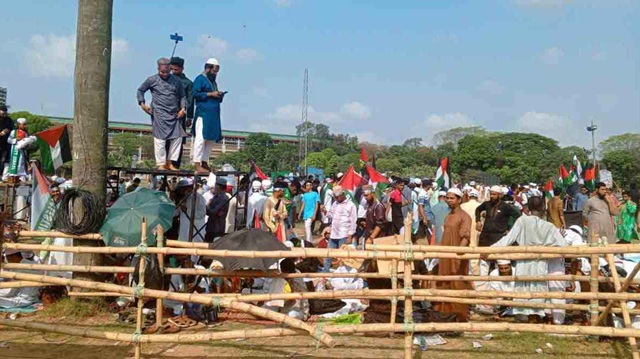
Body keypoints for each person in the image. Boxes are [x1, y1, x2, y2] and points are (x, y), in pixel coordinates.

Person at [489, 196, 567, 323]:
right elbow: (563, 246)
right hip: (540, 263)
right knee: (538, 289)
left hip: (523, 262)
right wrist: (547, 247)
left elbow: (507, 239)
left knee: (524, 290)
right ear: (543, 208)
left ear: (528, 208)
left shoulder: (522, 221)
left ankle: (530, 320)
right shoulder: (549, 226)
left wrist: (490, 250)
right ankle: (535, 319)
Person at [137, 58, 187, 170]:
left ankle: (170, 162)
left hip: (174, 113)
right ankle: (161, 163)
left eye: (167, 72)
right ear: (158, 69)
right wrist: (142, 103)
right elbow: (140, 90)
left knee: (178, 138)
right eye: (162, 72)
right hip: (159, 113)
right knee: (160, 139)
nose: (164, 74)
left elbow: (183, 96)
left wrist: (183, 108)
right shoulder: (152, 80)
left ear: (170, 69)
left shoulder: (177, 81)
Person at [434, 188, 473, 322]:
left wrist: (458, 254)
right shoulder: (448, 216)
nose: (449, 200)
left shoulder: (464, 216)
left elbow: (466, 237)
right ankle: (445, 313)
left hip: (456, 256)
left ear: (459, 200)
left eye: (452, 198)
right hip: (445, 255)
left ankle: (459, 314)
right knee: (444, 281)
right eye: (448, 198)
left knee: (457, 283)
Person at [191, 58, 225, 173]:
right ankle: (197, 164)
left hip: (213, 115)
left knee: (210, 139)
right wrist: (211, 94)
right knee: (200, 139)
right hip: (203, 114)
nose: (215, 74)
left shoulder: (213, 82)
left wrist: (219, 95)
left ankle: (205, 162)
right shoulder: (200, 79)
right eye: (214, 71)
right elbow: (195, 94)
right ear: (207, 68)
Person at [323, 185, 357, 272]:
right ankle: (326, 272)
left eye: (338, 197)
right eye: (335, 197)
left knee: (343, 256)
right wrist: (325, 211)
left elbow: (353, 221)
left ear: (342, 195)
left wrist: (350, 235)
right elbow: (331, 215)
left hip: (344, 234)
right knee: (328, 254)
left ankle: (344, 273)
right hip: (334, 234)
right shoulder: (335, 204)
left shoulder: (351, 205)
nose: (337, 198)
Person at [169, 57, 194, 169]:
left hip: (180, 115)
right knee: (165, 139)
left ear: (182, 69)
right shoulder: (165, 79)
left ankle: (175, 164)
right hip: (166, 114)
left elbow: (190, 100)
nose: (173, 72)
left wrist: (189, 116)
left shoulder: (187, 83)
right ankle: (164, 163)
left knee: (179, 140)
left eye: (176, 70)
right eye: (172, 69)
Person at [461, 189, 482, 277]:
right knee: (475, 248)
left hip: (465, 230)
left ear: (469, 197)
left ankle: (464, 270)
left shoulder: (462, 206)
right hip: (476, 230)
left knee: (464, 248)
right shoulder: (480, 206)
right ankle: (475, 272)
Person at [0, 105, 14, 174]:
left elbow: (11, 128)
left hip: (5, 143)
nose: (4, 114)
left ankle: (2, 174)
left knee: (4, 159)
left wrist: (7, 130)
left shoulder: (8, 120)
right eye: (2, 112)